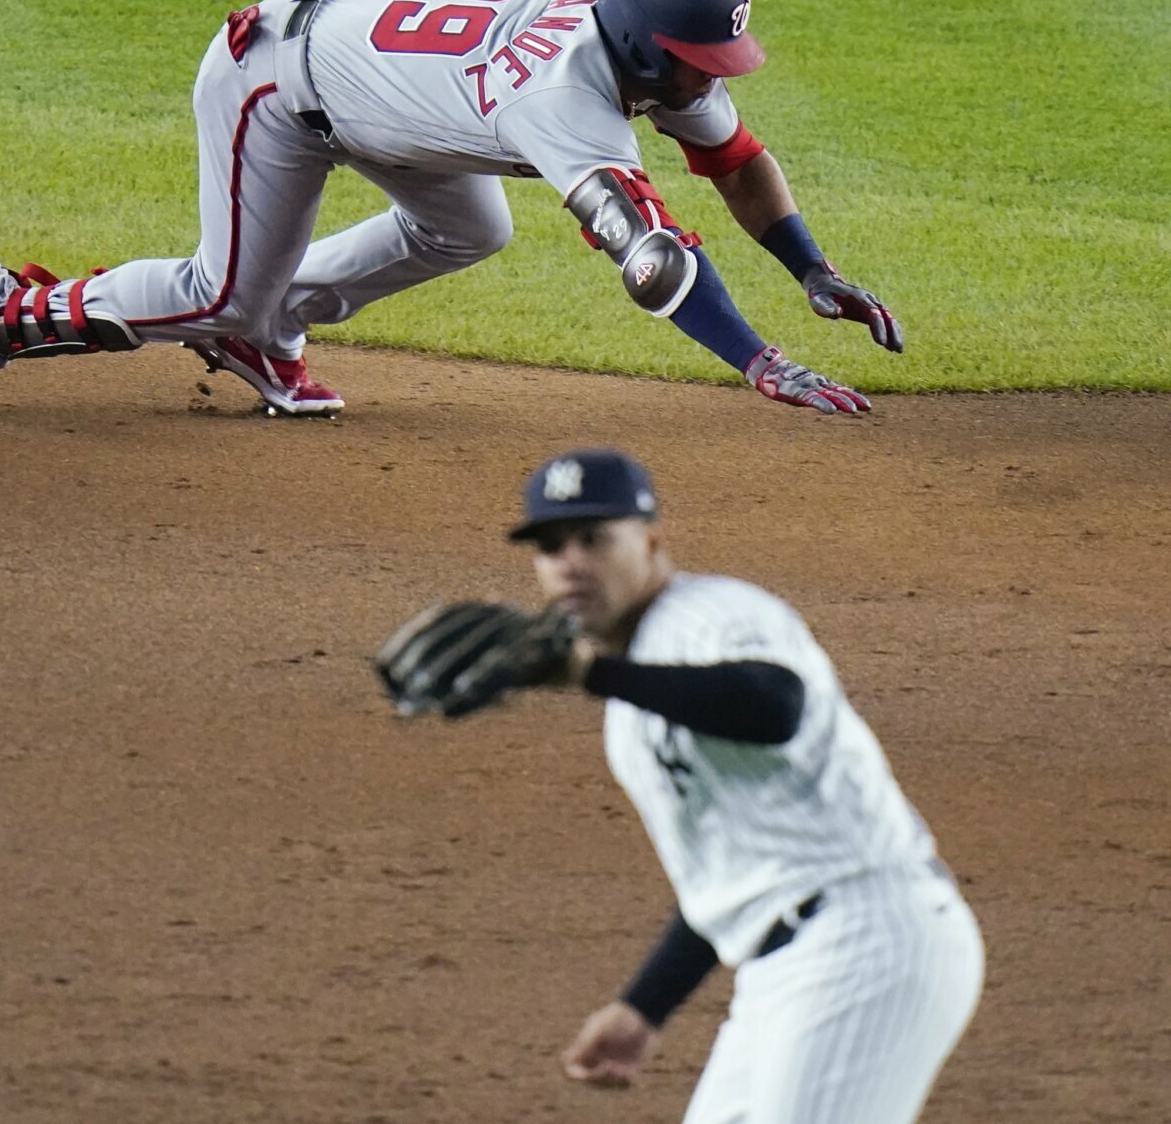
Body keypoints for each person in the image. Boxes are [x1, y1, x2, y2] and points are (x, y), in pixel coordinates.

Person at [0, 0, 902, 418]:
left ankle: (264, 329)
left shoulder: (639, 47)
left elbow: (735, 162)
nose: (711, 77)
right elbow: (653, 264)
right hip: (276, 78)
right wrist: (758, 360)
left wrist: (812, 269)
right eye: (699, 59)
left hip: (371, 71)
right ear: (647, 47)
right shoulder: (564, 97)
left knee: (472, 228)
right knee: (217, 289)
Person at [374, 448, 982, 1122]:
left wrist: (589, 674)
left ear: (652, 541)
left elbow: (774, 705)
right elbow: (725, 876)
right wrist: (645, 1006)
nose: (570, 562)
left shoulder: (714, 615)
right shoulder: (635, 699)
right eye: (550, 546)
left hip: (866, 940)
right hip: (784, 972)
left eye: (594, 538)